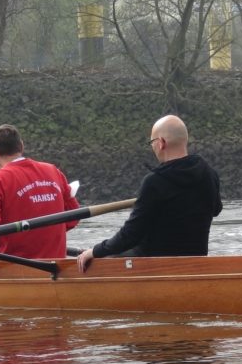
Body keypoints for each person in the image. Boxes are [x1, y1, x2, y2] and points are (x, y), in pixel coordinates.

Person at [77, 115, 222, 272]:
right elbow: (216, 209)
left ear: (161, 143)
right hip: (196, 261)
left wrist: (95, 251)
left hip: (155, 265)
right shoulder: (209, 174)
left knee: (103, 261)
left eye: (152, 143)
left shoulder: (154, 182)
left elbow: (130, 235)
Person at [0, 124, 80, 259]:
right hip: (56, 266)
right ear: (21, 146)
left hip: (16, 268)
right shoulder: (53, 171)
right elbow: (73, 214)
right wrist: (48, 234)